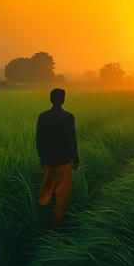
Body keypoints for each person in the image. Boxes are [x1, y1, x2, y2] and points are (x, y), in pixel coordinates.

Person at [36, 88, 79, 228]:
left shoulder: (43, 117)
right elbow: (72, 138)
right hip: (65, 160)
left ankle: (42, 216)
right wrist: (75, 157)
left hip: (49, 160)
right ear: (64, 100)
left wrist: (41, 156)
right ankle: (57, 223)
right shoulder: (69, 117)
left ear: (50, 100)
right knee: (63, 193)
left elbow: (39, 139)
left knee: (48, 189)